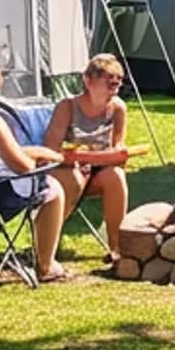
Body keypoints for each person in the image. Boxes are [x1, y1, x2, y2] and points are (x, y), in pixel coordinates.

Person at [0, 54, 76, 286]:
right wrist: (42, 162)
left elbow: (2, 153)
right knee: (53, 190)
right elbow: (21, 166)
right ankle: (45, 266)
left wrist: (36, 151)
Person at [47, 54, 134, 258]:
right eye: (109, 84)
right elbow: (52, 151)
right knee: (74, 177)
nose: (114, 89)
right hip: (65, 172)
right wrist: (98, 157)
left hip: (96, 172)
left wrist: (82, 157)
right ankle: (44, 243)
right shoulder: (67, 107)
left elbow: (119, 155)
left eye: (117, 85)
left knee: (116, 177)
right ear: (88, 81)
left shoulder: (118, 108)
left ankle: (116, 248)